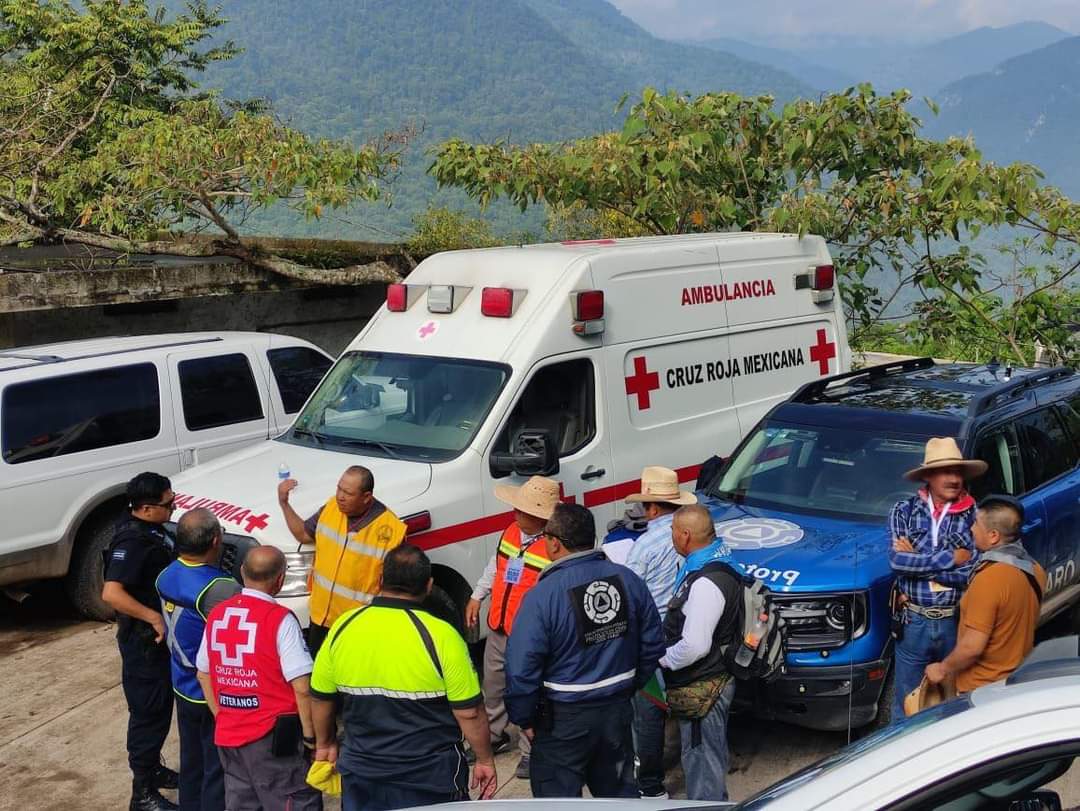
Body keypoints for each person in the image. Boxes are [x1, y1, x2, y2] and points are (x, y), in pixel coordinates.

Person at [309, 544, 497, 811]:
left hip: (362, 775)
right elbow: (470, 712)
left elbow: (320, 697)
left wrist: (325, 743)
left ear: (381, 580)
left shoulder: (344, 626)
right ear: (429, 585)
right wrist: (485, 759)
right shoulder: (441, 635)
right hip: (429, 779)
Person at [505, 503, 664, 799]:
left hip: (561, 723)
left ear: (554, 542)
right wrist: (627, 685)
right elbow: (653, 644)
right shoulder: (628, 580)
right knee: (618, 799)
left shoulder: (542, 596)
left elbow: (520, 670)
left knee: (558, 804)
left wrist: (524, 718)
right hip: (616, 714)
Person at [196, 546, 323, 811]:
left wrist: (221, 714)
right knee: (293, 800)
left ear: (242, 572)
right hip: (274, 741)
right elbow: (302, 688)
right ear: (280, 580)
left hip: (229, 736)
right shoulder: (280, 620)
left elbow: (203, 673)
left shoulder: (218, 615)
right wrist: (311, 738)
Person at [464, 476, 559, 780]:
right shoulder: (511, 532)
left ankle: (532, 752)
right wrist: (478, 595)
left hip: (529, 636)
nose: (516, 514)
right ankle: (494, 735)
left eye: (523, 510)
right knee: (492, 686)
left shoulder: (554, 546)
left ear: (542, 516)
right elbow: (497, 565)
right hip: (500, 627)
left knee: (528, 691)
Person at [888, 437, 985, 720]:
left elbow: (972, 572)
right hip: (914, 620)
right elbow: (896, 562)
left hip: (956, 619)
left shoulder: (976, 516)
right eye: (946, 471)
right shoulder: (902, 511)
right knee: (907, 702)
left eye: (958, 472)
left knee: (956, 702)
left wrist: (917, 558)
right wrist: (951, 558)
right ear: (929, 476)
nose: (954, 478)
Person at [102, 472, 181, 811]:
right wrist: (152, 617)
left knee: (160, 712)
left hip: (157, 644)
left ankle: (154, 770)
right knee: (149, 715)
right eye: (168, 503)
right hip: (144, 644)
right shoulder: (131, 543)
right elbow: (112, 593)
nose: (173, 506)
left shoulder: (147, 527)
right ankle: (143, 794)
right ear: (146, 509)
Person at [155, 509, 241, 811]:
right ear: (216, 540)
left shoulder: (166, 575)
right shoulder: (220, 587)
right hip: (211, 692)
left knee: (191, 762)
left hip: (181, 683)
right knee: (217, 767)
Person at [623, 466, 697, 799]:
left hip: (652, 635)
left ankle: (651, 787)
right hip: (689, 627)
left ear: (651, 507)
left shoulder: (644, 545)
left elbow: (629, 593)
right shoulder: (692, 534)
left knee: (648, 711)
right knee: (689, 703)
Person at [278, 464, 406, 656]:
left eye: (348, 492)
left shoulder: (391, 530)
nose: (340, 496)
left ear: (366, 497)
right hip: (320, 620)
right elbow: (303, 534)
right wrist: (284, 504)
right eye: (339, 488)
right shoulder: (331, 508)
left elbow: (398, 591)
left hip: (357, 627)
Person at [926, 495, 1047, 692]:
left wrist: (942, 668)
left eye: (975, 524)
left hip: (980, 690)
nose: (971, 529)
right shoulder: (1035, 570)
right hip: (1016, 684)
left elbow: (972, 647)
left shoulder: (989, 579)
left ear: (993, 536)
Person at [661, 504, 740, 802]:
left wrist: (664, 658)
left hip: (703, 686)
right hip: (713, 680)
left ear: (684, 536)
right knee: (708, 756)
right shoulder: (717, 561)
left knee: (702, 764)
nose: (670, 537)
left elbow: (695, 645)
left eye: (671, 531)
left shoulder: (706, 582)